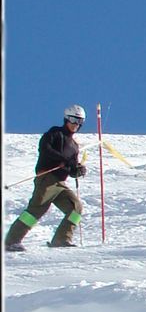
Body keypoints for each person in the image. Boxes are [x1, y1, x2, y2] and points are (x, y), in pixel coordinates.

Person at [5, 106, 88, 250]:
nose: (76, 124)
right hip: (47, 178)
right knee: (36, 210)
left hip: (60, 183)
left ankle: (61, 240)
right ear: (66, 119)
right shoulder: (55, 133)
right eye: (74, 120)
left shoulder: (74, 146)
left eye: (80, 121)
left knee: (76, 208)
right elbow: (45, 149)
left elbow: (71, 167)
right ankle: (12, 241)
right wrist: (64, 160)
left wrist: (77, 169)